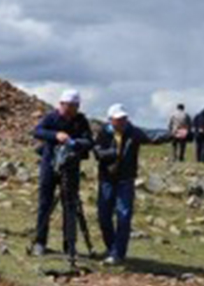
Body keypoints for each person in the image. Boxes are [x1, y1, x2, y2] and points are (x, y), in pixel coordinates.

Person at [93, 103, 172, 264]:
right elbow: (97, 153)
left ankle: (118, 254)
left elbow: (152, 137)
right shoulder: (103, 133)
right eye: (118, 119)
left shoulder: (133, 132)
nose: (122, 122)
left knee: (124, 216)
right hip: (107, 179)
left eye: (124, 118)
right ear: (111, 120)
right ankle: (111, 248)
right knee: (104, 216)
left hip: (125, 180)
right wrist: (113, 154)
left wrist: (173, 135)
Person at [31, 89, 93, 258]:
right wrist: (55, 135)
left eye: (74, 107)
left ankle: (70, 245)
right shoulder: (51, 117)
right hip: (49, 166)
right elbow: (37, 131)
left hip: (71, 168)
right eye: (67, 107)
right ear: (61, 104)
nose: (70, 110)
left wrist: (75, 143)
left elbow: (89, 142)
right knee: (45, 204)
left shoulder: (81, 121)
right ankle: (40, 242)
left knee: (70, 206)